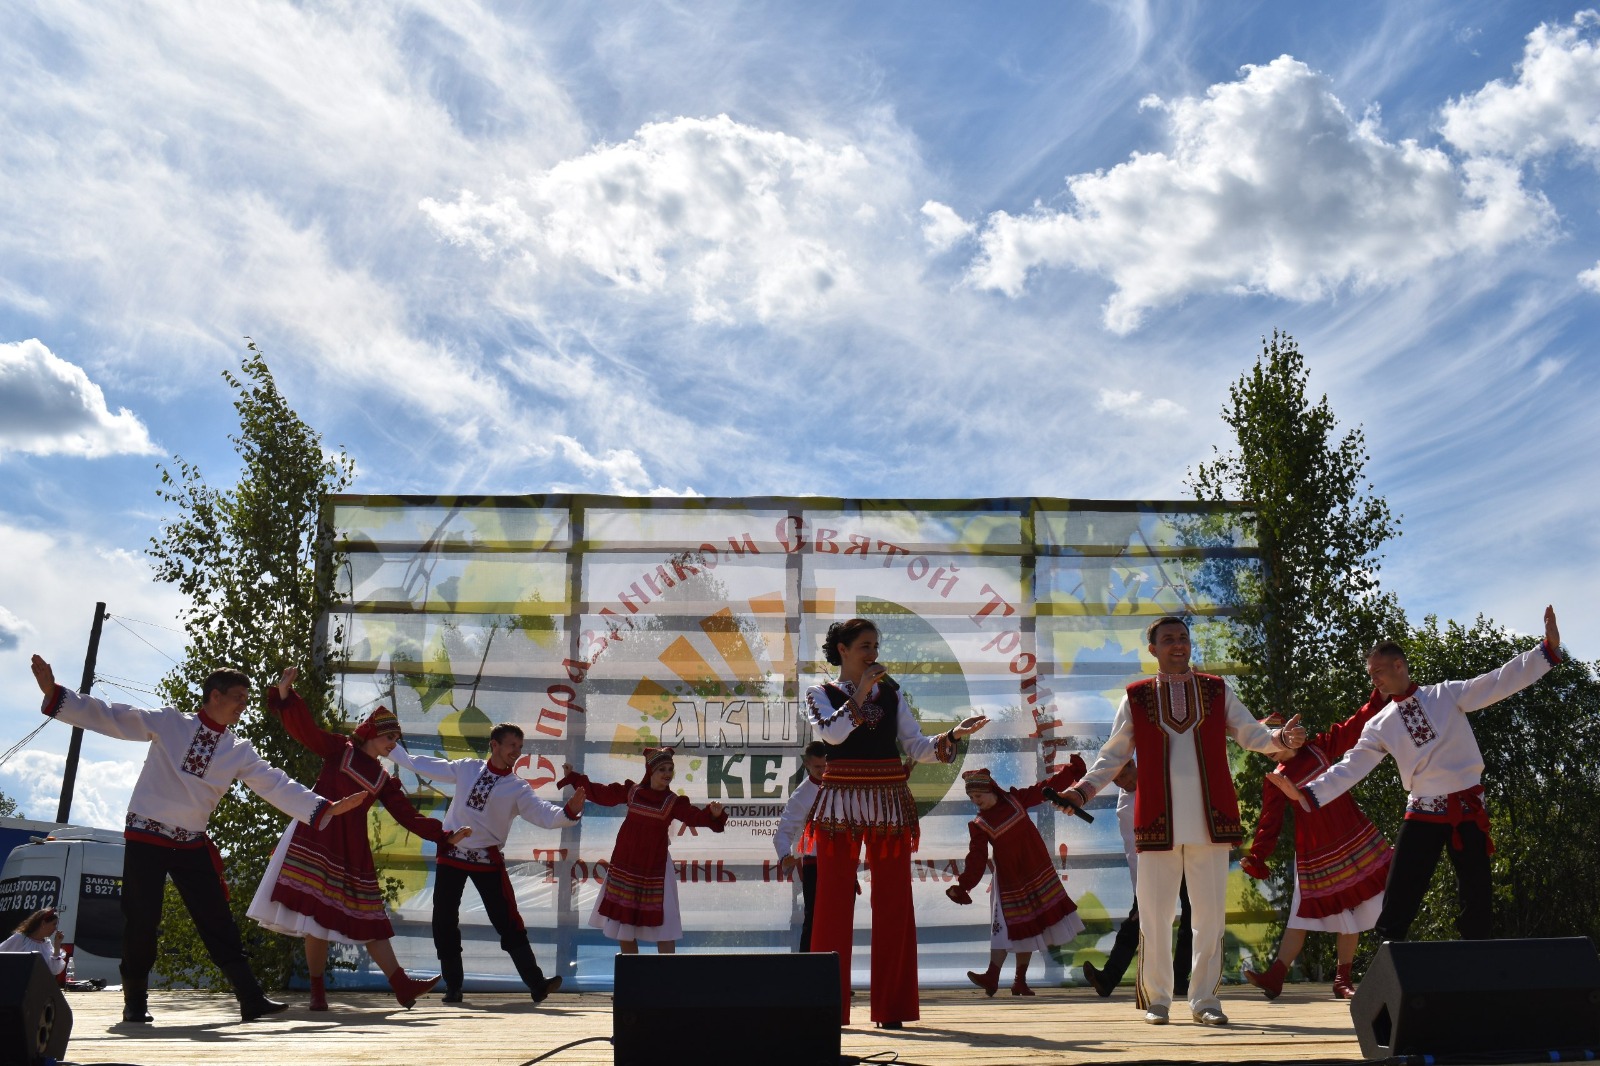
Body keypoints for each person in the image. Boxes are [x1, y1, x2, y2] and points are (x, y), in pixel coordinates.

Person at [29, 654, 368, 1024]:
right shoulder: (171, 722)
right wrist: (55, 694)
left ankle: (250, 998)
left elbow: (274, 782)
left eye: (246, 699)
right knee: (141, 920)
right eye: (238, 697)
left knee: (217, 919)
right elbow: (114, 716)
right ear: (214, 696)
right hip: (146, 836)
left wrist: (324, 807)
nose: (243, 705)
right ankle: (135, 1002)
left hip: (191, 842)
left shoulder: (237, 750)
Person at [1058, 616, 1305, 1027]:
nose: (1178, 644)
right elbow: (1113, 755)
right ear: (1152, 649)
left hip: (1211, 819)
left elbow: (1250, 733)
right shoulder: (1136, 697)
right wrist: (1082, 791)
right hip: (1157, 821)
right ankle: (1157, 1000)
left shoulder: (1216, 690)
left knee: (1209, 917)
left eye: (1183, 638)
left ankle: (1205, 1000)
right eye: (1169, 639)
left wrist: (1280, 740)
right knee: (1155, 916)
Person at [1268, 607, 1562, 945]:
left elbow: (1496, 682)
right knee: (1401, 890)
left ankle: (1476, 960)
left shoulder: (1445, 694)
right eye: (1370, 675)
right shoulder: (1379, 724)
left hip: (1468, 807)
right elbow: (1351, 765)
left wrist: (1546, 650)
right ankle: (1390, 960)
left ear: (1399, 665)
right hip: (1423, 810)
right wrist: (1306, 792)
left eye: (1378, 671)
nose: (1374, 680)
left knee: (1477, 894)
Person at [803, 617, 990, 1030]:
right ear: (842, 650)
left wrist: (952, 736)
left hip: (888, 802)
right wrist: (861, 691)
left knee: (894, 902)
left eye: (876, 646)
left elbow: (916, 746)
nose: (873, 653)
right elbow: (832, 736)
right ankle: (827, 1008)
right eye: (865, 646)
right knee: (832, 903)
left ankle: (893, 1008)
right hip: (840, 805)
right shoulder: (819, 693)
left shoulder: (891, 691)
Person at [246, 669, 468, 1011]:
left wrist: (445, 835)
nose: (393, 744)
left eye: (396, 739)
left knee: (370, 917)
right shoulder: (341, 750)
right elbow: (308, 733)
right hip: (318, 833)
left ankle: (401, 985)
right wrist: (287, 697)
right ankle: (318, 994)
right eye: (389, 737)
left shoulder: (383, 779)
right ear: (372, 732)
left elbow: (407, 816)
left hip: (350, 848)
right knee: (314, 918)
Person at [388, 722, 585, 1003]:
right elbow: (423, 764)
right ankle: (453, 987)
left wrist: (569, 812)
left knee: (508, 921)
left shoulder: (517, 787)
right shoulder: (467, 768)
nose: (516, 751)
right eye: (511, 745)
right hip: (452, 854)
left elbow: (542, 812)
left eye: (520, 747)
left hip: (486, 859)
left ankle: (537, 984)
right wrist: (391, 749)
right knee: (444, 920)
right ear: (494, 745)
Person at [1240, 691, 1394, 1000]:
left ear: (1289, 736)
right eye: (1266, 746)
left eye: (1273, 742)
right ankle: (1277, 976)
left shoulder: (1318, 748)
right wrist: (1257, 856)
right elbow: (1269, 821)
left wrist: (1378, 699)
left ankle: (1342, 978)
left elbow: (1352, 727)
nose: (1270, 751)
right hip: (1315, 851)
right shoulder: (1276, 778)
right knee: (1301, 914)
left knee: (1353, 906)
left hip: (1350, 835)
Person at [557, 747, 725, 954]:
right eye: (662, 769)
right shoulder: (633, 792)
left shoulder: (672, 802)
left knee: (665, 927)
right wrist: (574, 778)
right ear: (651, 771)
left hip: (656, 868)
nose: (667, 773)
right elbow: (603, 794)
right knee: (624, 925)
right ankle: (633, 971)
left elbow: (694, 817)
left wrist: (713, 815)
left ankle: (667, 975)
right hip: (627, 866)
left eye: (670, 769)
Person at [946, 760, 1087, 997]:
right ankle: (992, 975)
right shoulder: (980, 824)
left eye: (978, 795)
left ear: (991, 789)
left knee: (1030, 928)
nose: (975, 801)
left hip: (1035, 872)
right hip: (1009, 883)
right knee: (1003, 928)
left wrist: (1071, 773)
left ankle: (1019, 981)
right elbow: (977, 857)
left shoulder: (1015, 800)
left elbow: (1044, 789)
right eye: (972, 798)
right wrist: (964, 885)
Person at [1080, 758, 1192, 999]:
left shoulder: (1160, 776)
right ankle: (1109, 977)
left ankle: (1180, 978)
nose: (1123, 782)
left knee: (1191, 914)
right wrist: (1140, 892)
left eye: (1124, 774)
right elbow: (1134, 852)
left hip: (1185, 854)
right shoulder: (1126, 807)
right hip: (1152, 866)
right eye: (1116, 779)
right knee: (1137, 920)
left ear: (1133, 764)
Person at [773, 741, 828, 951]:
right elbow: (783, 832)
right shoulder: (802, 795)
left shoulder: (841, 784)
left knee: (841, 918)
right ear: (806, 764)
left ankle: (838, 968)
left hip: (841, 863)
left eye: (826, 766)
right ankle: (807, 967)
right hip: (815, 864)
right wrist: (785, 855)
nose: (823, 771)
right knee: (813, 919)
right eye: (817, 767)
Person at [1, 908, 67, 977]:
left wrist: (57, 945)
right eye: (54, 924)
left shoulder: (46, 943)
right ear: (43, 923)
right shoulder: (20, 938)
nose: (55, 928)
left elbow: (55, 970)